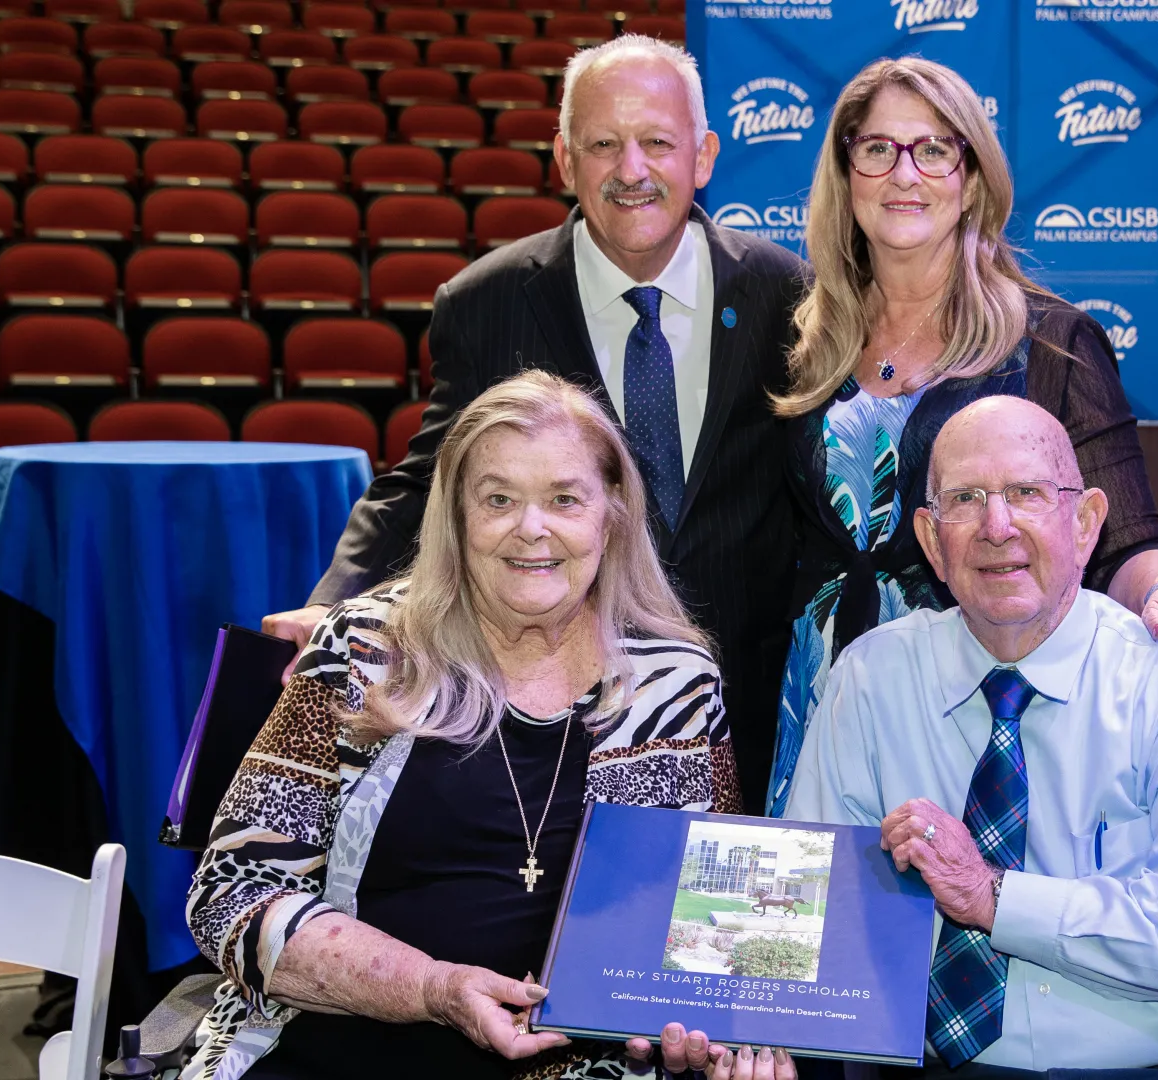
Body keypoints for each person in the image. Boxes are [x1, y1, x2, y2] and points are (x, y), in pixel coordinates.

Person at [183, 372, 790, 1080]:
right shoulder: (365, 650)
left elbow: (717, 929)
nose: (531, 529)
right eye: (499, 499)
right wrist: (431, 989)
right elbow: (233, 890)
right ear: (457, 516)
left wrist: (723, 1037)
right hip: (346, 1043)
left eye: (565, 499)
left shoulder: (677, 680)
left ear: (612, 513)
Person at [260, 35, 809, 817]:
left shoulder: (786, 296)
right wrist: (335, 599)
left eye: (658, 142)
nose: (632, 170)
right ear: (563, 158)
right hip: (563, 701)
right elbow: (429, 479)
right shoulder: (488, 300)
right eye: (603, 144)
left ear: (705, 155)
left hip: (750, 692)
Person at [766, 58, 1158, 817]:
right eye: (877, 149)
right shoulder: (801, 340)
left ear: (972, 180)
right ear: (846, 173)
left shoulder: (1053, 344)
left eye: (934, 150)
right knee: (826, 925)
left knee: (962, 908)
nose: (905, 174)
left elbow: (1122, 536)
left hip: (965, 701)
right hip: (811, 694)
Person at [786, 397, 1158, 1078]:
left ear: (1085, 525)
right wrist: (717, 1020)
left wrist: (994, 897)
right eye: (966, 500)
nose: (998, 527)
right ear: (933, 542)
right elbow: (812, 925)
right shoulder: (870, 681)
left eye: (1027, 493)